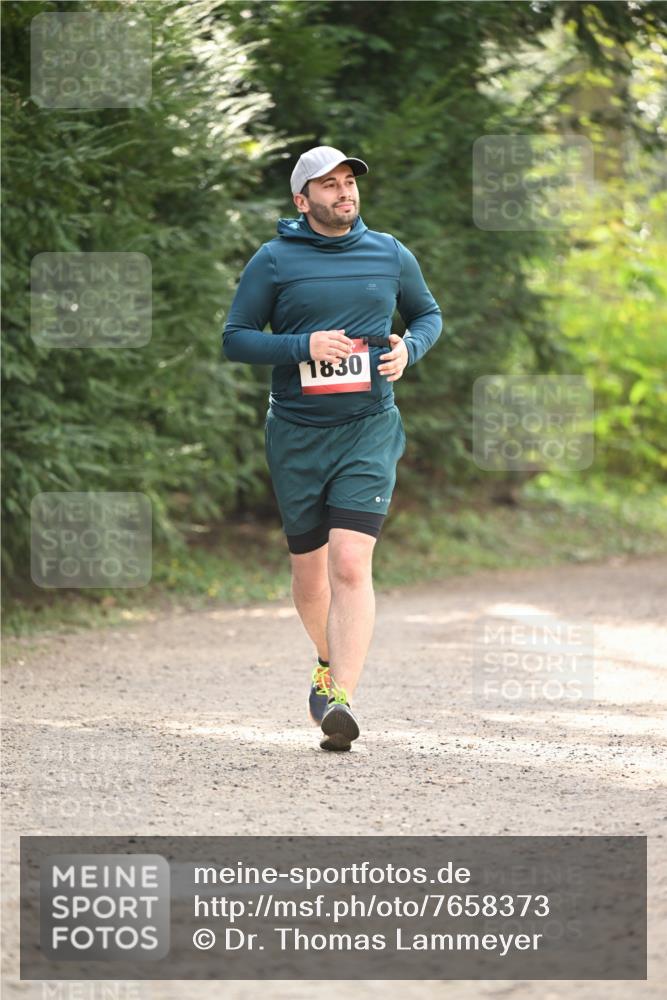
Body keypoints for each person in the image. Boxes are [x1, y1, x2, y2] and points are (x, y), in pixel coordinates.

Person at [223, 145, 442, 751]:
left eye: (349, 182)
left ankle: (340, 701)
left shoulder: (390, 252)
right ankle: (326, 660)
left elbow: (427, 315)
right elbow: (236, 338)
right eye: (329, 185)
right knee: (309, 569)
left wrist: (409, 349)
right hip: (296, 435)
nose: (344, 192)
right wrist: (303, 346)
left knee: (349, 562)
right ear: (303, 200)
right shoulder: (274, 260)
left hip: (368, 427)